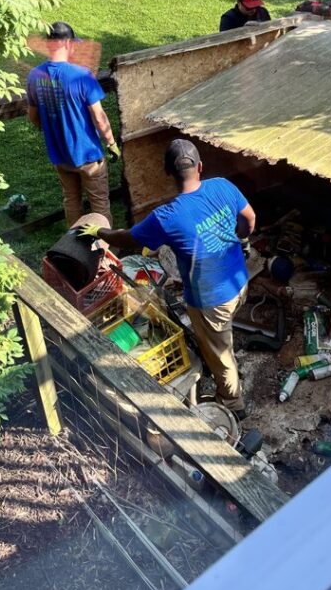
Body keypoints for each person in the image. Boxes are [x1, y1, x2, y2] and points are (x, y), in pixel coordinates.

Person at [84, 139, 256, 419]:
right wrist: (242, 240)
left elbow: (127, 237)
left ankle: (233, 404)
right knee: (224, 330)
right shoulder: (223, 186)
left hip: (210, 300)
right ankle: (226, 345)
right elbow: (249, 218)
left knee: (221, 354)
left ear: (167, 173)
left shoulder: (166, 217)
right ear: (200, 167)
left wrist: (100, 233)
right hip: (240, 282)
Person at [26, 21, 119, 227]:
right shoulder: (81, 76)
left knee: (71, 202)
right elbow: (99, 117)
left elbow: (32, 115)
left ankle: (73, 251)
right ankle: (106, 251)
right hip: (88, 156)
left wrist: (50, 128)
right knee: (100, 206)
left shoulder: (35, 76)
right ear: (68, 44)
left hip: (60, 155)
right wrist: (112, 144)